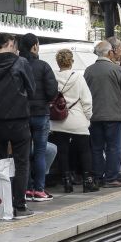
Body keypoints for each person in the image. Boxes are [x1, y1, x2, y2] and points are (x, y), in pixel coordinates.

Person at [0, 31, 35, 219]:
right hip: (19, 119)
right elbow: (32, 89)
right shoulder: (20, 63)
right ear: (10, 44)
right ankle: (19, 205)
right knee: (21, 162)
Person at [84, 38, 121, 187]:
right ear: (109, 53)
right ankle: (111, 177)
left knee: (97, 147)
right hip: (113, 114)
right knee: (113, 146)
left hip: (94, 115)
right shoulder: (116, 69)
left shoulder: (88, 70)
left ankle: (98, 176)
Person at [19, 33, 58, 202]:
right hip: (41, 114)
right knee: (40, 152)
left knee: (24, 153)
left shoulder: (17, 65)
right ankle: (39, 190)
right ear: (35, 46)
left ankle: (26, 189)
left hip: (22, 115)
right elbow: (52, 91)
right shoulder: (43, 66)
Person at [50, 48, 94, 192]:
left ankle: (66, 182)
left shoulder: (53, 78)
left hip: (59, 121)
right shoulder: (78, 77)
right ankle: (88, 182)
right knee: (84, 151)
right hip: (77, 120)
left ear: (58, 62)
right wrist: (87, 117)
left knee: (63, 152)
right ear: (71, 61)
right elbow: (86, 100)